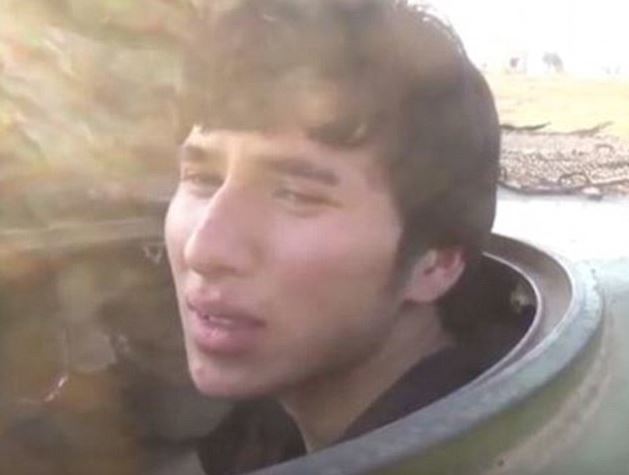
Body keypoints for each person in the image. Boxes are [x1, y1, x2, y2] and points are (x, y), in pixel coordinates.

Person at [164, 0, 501, 472]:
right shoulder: (261, 430)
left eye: (295, 195)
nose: (204, 249)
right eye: (202, 178)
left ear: (436, 261)